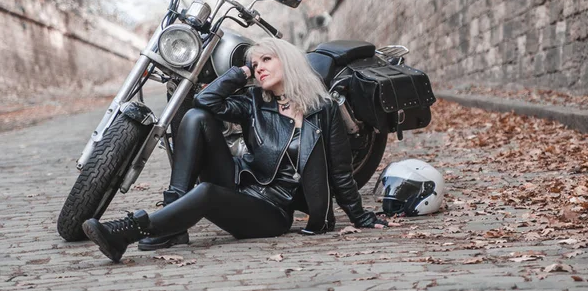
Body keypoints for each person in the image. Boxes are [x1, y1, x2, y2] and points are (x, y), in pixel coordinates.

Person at [82, 37, 393, 263]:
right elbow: (206, 102)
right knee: (196, 117)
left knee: (207, 193)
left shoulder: (322, 110)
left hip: (272, 211)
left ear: (289, 61)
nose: (259, 68)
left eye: (266, 60)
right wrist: (240, 73)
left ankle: (127, 231)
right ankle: (172, 224)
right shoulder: (255, 102)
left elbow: (340, 171)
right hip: (241, 185)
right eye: (255, 64)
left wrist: (360, 216)